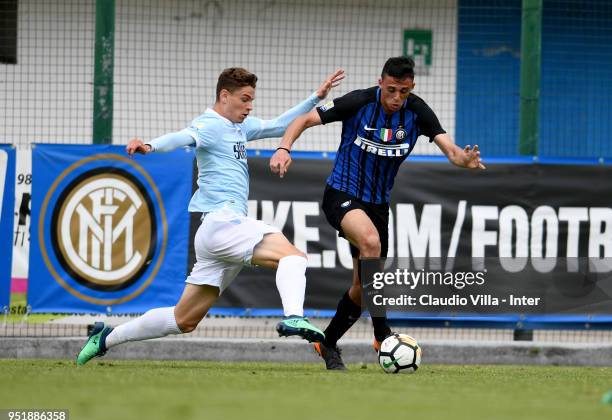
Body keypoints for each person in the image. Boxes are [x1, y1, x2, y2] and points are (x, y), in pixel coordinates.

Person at [76, 67, 345, 365]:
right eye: (245, 99)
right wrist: (150, 146)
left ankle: (105, 338)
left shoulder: (241, 127)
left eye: (252, 100)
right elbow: (182, 137)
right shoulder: (210, 124)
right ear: (224, 96)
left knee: (183, 320)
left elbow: (280, 124)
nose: (249, 106)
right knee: (293, 258)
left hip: (215, 235)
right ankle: (294, 317)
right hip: (222, 222)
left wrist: (315, 97)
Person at [269, 56, 485, 370]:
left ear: (412, 88)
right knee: (371, 243)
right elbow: (302, 120)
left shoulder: (418, 111)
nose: (397, 98)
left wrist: (461, 160)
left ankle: (327, 342)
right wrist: (283, 148)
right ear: (381, 82)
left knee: (363, 286)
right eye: (392, 89)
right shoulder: (358, 102)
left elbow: (450, 149)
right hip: (341, 193)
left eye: (404, 91)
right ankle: (382, 332)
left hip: (378, 205)